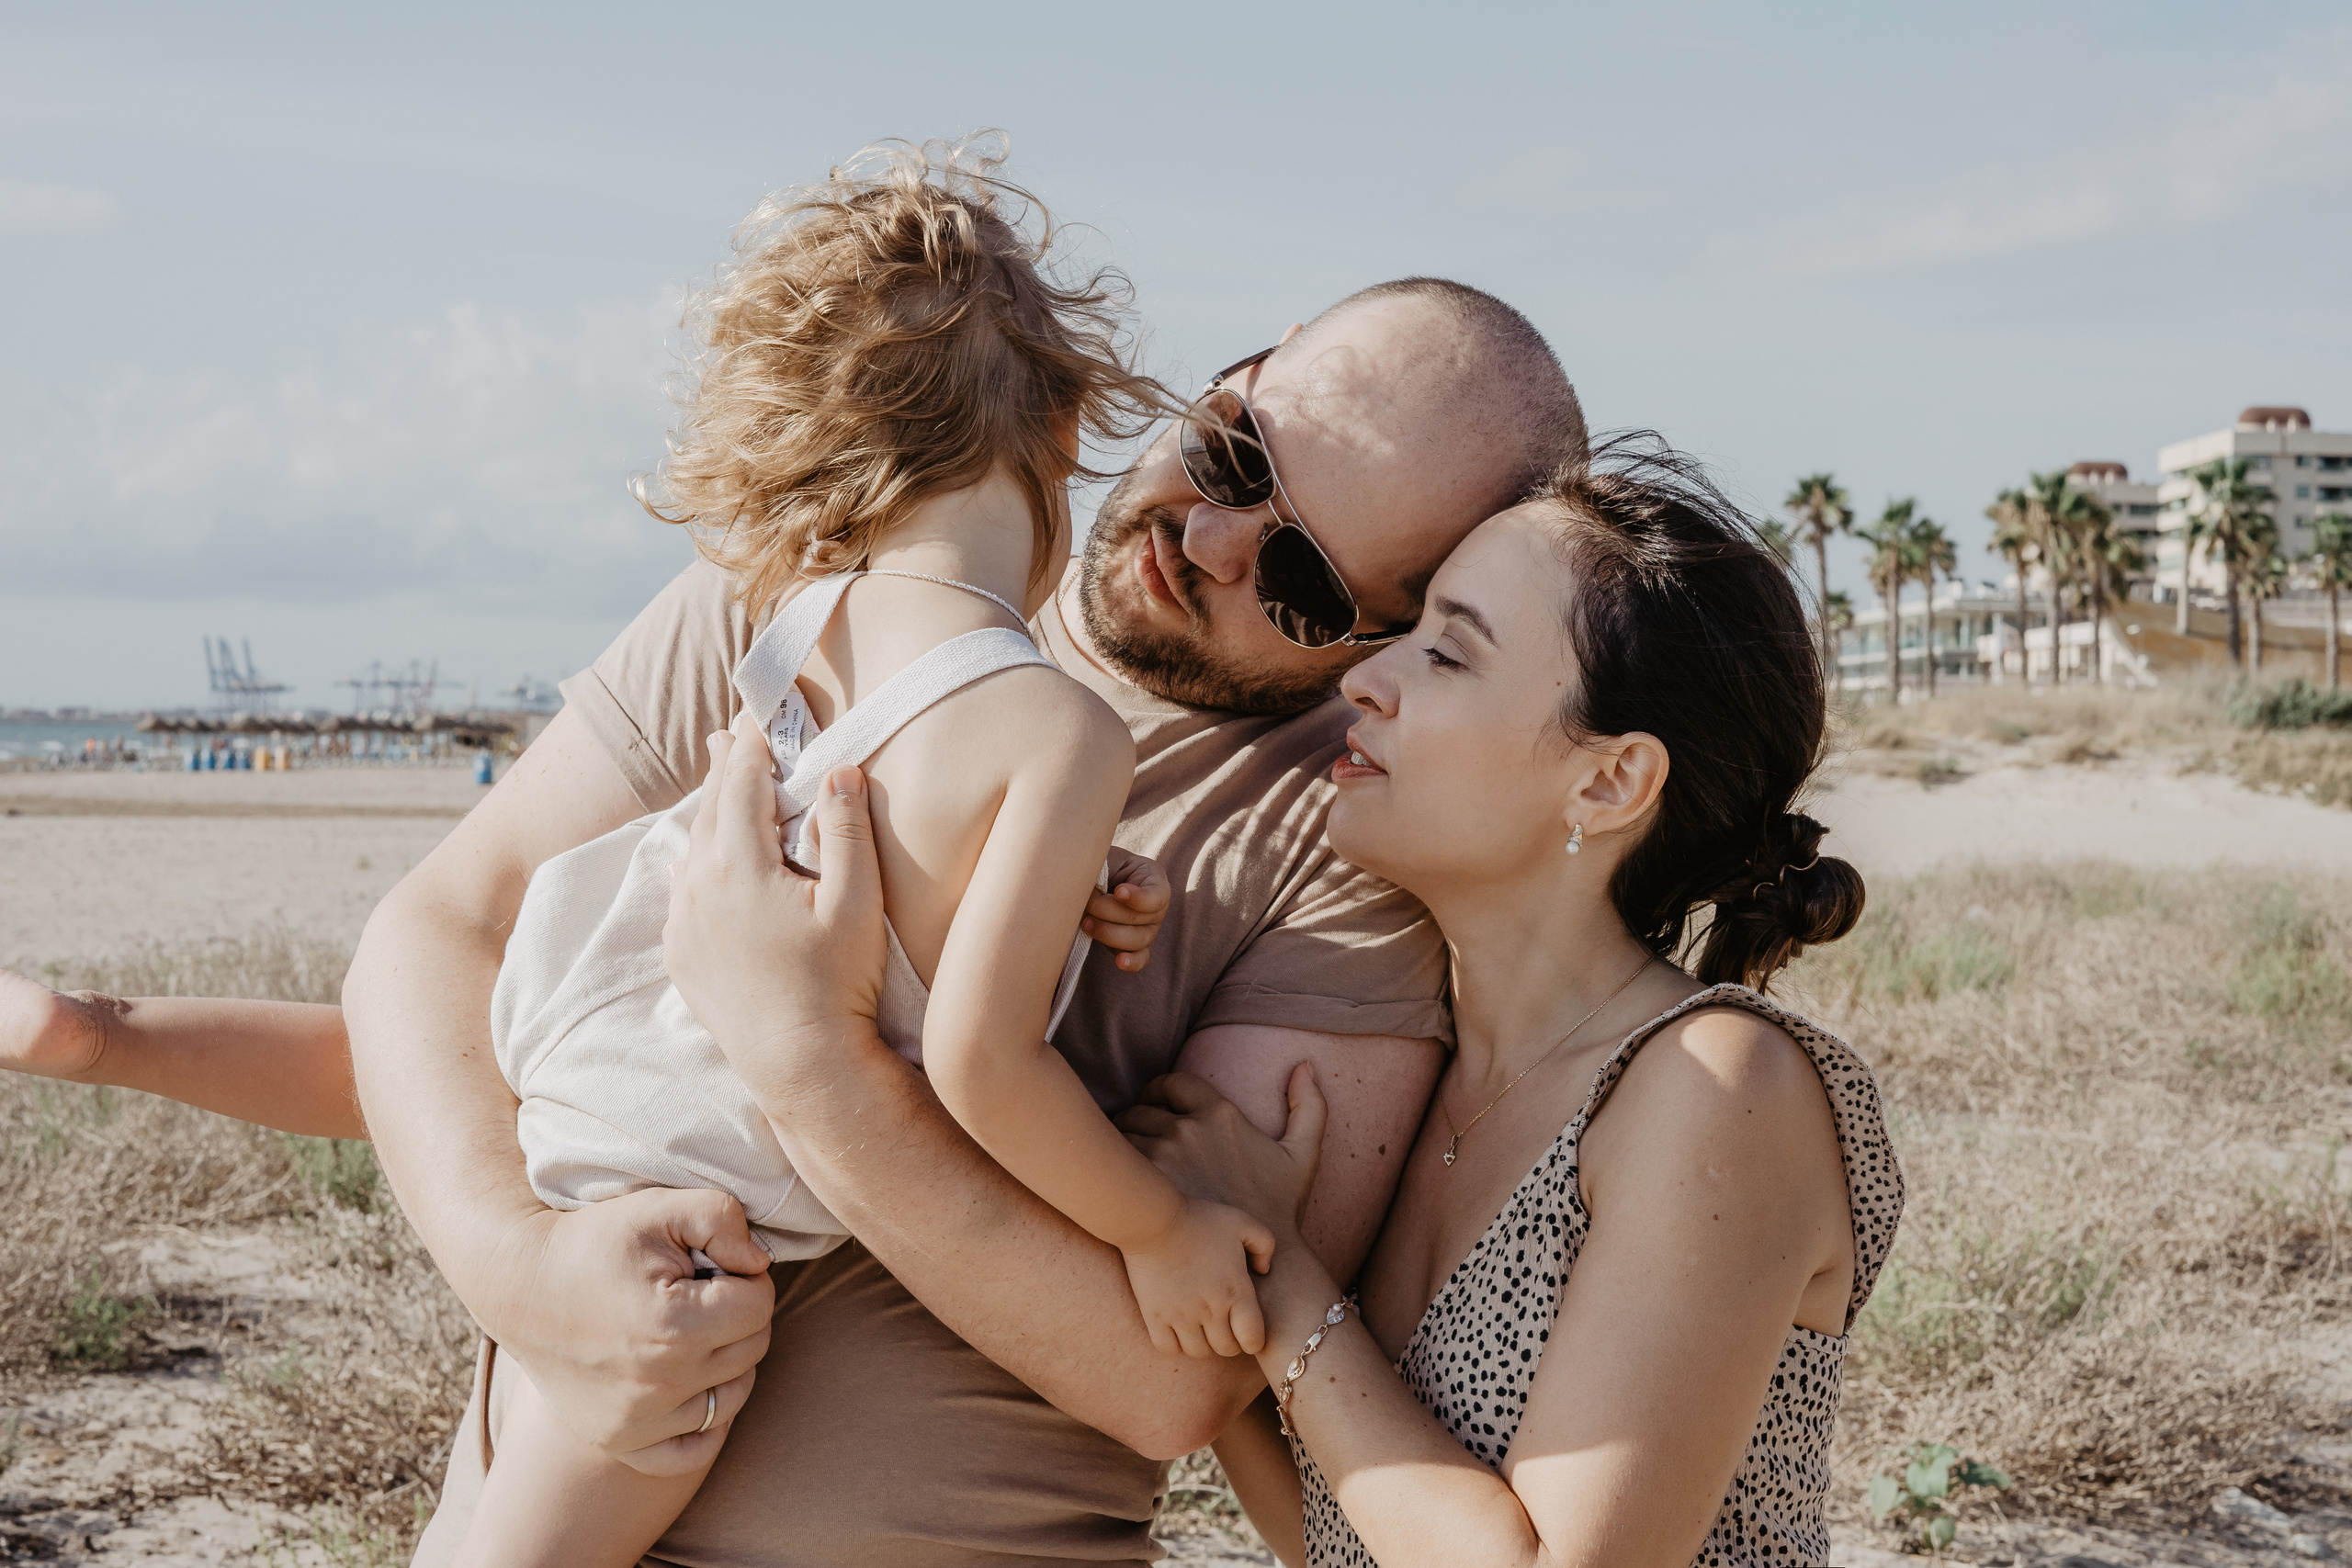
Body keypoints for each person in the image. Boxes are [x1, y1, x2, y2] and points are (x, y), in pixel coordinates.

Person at [4, 258, 1588, 1561]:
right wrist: (522, 1275)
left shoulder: (1353, 849)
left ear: (1402, 626)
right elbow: (446, 939)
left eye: (1303, 577)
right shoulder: (822, 576)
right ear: (1225, 371)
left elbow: (1163, 1382)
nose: (1211, 541)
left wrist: (805, 1054)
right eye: (1236, 452)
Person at [668, 439, 1900, 1567]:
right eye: (1403, 633)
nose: (1367, 680)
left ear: (1611, 781)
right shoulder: (1430, 1085)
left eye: (1449, 652)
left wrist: (1289, 1278)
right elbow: (1339, 1536)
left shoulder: (1717, 1088)